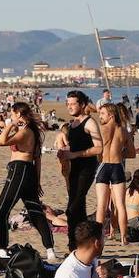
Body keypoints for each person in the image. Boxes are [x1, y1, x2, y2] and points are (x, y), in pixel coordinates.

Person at [0, 102, 54, 257]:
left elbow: (0, 141)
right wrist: (37, 180)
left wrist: (10, 125)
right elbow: (37, 159)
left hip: (19, 170)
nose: (11, 116)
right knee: (35, 212)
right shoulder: (31, 131)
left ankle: (2, 247)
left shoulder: (26, 131)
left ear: (18, 114)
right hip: (29, 171)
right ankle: (50, 249)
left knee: (1, 211)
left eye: (12, 114)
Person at [57, 91, 103, 251]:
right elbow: (75, 147)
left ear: (82, 105)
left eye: (73, 103)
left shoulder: (90, 123)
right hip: (74, 169)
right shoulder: (72, 125)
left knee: (72, 208)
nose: (69, 106)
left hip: (87, 169)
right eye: (67, 103)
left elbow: (99, 148)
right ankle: (85, 244)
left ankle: (73, 246)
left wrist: (74, 154)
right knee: (78, 209)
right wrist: (64, 151)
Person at [94, 102, 130, 245]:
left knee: (101, 206)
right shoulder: (124, 131)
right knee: (120, 205)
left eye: (102, 113)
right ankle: (123, 238)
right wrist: (120, 152)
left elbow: (96, 150)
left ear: (111, 115)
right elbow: (132, 152)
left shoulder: (101, 130)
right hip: (117, 166)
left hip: (103, 166)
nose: (100, 116)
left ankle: (98, 238)